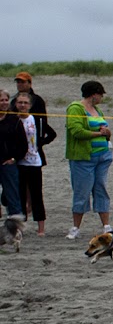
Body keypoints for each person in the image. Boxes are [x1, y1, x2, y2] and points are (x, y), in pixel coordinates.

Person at [64, 80, 113, 240]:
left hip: (102, 156)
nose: (101, 98)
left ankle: (106, 225)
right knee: (82, 191)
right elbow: (76, 131)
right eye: (100, 94)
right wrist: (98, 134)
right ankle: (75, 227)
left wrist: (106, 133)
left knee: (101, 189)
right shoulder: (75, 108)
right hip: (83, 158)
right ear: (94, 94)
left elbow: (103, 128)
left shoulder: (97, 110)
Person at [11, 91, 49, 234]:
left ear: (30, 105)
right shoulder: (13, 120)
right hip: (19, 163)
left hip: (34, 162)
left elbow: (51, 134)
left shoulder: (36, 120)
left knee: (36, 195)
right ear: (16, 104)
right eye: (20, 102)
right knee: (19, 195)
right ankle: (21, 227)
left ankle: (41, 229)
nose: (22, 105)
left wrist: (39, 144)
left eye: (25, 103)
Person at [0, 89, 23, 217]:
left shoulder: (14, 120)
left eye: (6, 100)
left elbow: (22, 144)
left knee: (12, 195)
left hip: (9, 163)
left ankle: (16, 228)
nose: (4, 103)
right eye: (1, 100)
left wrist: (14, 158)